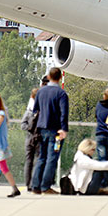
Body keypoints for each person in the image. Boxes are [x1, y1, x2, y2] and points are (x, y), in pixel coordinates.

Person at [31, 67, 69, 195]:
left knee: (42, 157)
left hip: (42, 129)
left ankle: (36, 186)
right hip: (56, 131)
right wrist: (64, 129)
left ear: (48, 76)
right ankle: (45, 186)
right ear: (60, 78)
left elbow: (35, 109)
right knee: (52, 158)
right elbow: (64, 113)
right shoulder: (61, 93)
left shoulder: (41, 92)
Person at [21, 88, 40, 191]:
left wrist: (28, 128)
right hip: (36, 138)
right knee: (36, 161)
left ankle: (29, 184)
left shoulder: (29, 111)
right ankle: (32, 183)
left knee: (30, 161)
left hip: (31, 138)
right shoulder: (36, 111)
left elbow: (23, 124)